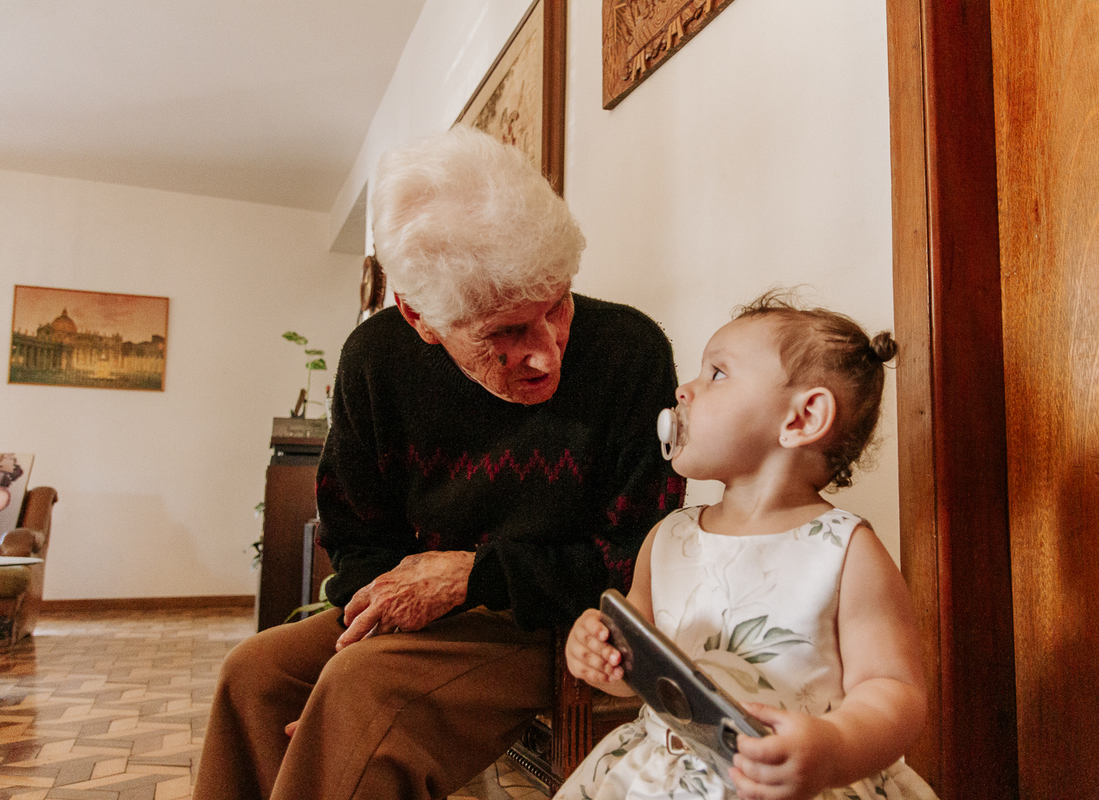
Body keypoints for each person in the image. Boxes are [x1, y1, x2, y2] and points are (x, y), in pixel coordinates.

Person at [194, 126, 684, 800]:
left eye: (558, 306)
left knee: (361, 697)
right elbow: (357, 536)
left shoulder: (629, 351)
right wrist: (392, 620)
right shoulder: (375, 360)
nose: (547, 352)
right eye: (506, 331)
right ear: (419, 317)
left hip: (560, 623)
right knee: (254, 676)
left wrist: (475, 577)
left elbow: (638, 559)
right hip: (426, 615)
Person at [557, 291, 939, 800]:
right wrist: (598, 654)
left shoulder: (845, 551)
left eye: (717, 373)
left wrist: (832, 747)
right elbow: (638, 670)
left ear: (802, 418)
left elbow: (895, 691)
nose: (683, 390)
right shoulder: (668, 538)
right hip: (661, 778)